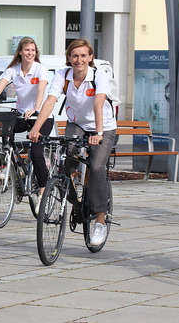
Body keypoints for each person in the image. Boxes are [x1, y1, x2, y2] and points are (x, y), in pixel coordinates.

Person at [28, 39, 117, 247]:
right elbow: (50, 101)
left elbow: (98, 102)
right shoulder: (62, 75)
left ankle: (100, 220)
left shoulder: (99, 76)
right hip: (76, 124)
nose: (79, 60)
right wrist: (36, 129)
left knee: (96, 167)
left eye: (83, 56)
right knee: (66, 162)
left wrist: (98, 132)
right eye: (75, 56)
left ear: (90, 58)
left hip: (103, 126)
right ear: (69, 58)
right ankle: (75, 200)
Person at [0, 37, 52, 192]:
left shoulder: (40, 69)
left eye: (33, 50)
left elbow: (41, 89)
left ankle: (43, 187)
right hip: (22, 115)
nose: (30, 53)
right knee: (7, 134)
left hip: (41, 117)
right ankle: (11, 165)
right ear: (20, 52)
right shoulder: (13, 70)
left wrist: (36, 107)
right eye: (27, 50)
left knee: (36, 151)